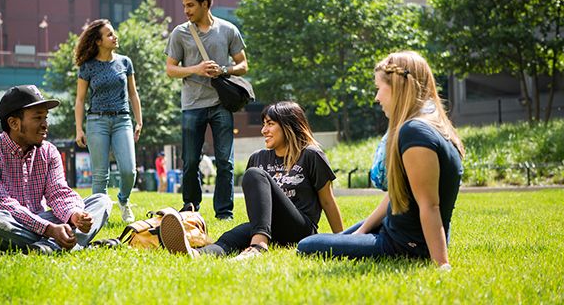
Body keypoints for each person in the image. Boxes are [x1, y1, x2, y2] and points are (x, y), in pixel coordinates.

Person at [297, 51, 464, 270]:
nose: (376, 98)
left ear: (397, 85)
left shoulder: (415, 132)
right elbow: (396, 196)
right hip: (395, 229)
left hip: (406, 244)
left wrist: (442, 264)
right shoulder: (435, 126)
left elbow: (430, 205)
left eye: (378, 88)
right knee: (342, 237)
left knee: (307, 245)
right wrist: (360, 233)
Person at [159, 101, 344, 260]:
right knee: (230, 238)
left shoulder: (311, 155)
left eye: (270, 124)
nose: (264, 130)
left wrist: (343, 241)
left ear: (289, 126)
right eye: (264, 124)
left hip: (300, 230)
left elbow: (327, 200)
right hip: (268, 228)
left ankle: (258, 247)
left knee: (254, 174)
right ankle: (195, 254)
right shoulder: (259, 157)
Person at [0, 85, 113, 254]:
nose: (45, 125)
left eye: (46, 118)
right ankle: (61, 244)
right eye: (38, 118)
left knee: (101, 201)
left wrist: (75, 214)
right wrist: (50, 229)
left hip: (35, 223)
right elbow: (1, 203)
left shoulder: (49, 151)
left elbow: (58, 192)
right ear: (14, 123)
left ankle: (45, 248)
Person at [165, 0, 248, 220]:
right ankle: (191, 207)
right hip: (192, 105)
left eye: (191, 5)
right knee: (191, 161)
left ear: (205, 4)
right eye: (184, 6)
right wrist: (197, 69)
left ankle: (224, 212)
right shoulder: (179, 33)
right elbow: (171, 69)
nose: (186, 10)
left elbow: (243, 65)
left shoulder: (228, 29)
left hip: (221, 103)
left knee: (225, 161)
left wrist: (223, 70)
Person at [75, 19, 143, 223]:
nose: (115, 37)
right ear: (98, 41)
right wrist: (79, 129)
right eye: (110, 34)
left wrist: (138, 121)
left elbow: (133, 94)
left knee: (128, 170)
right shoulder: (88, 67)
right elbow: (79, 99)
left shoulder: (125, 62)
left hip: (122, 119)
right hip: (97, 121)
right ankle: (98, 217)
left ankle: (123, 200)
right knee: (100, 174)